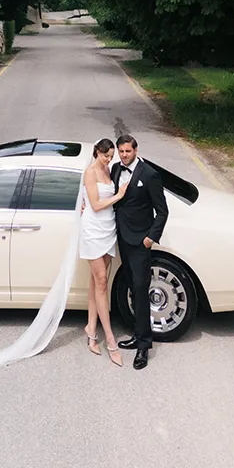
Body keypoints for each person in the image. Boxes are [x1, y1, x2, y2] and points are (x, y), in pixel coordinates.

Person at [112, 134, 169, 370]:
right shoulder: (115, 169)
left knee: (140, 289)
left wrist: (150, 239)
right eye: (121, 151)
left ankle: (144, 345)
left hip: (140, 241)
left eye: (128, 151)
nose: (125, 155)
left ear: (136, 150)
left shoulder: (149, 174)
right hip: (122, 239)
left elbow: (162, 211)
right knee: (132, 289)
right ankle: (137, 334)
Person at [79, 138, 128, 366]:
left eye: (111, 157)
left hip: (108, 229)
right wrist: (118, 196)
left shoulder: (108, 169)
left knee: (96, 282)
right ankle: (110, 339)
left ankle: (91, 329)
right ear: (97, 152)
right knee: (101, 283)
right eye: (105, 156)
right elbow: (95, 205)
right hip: (93, 230)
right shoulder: (90, 172)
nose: (109, 160)